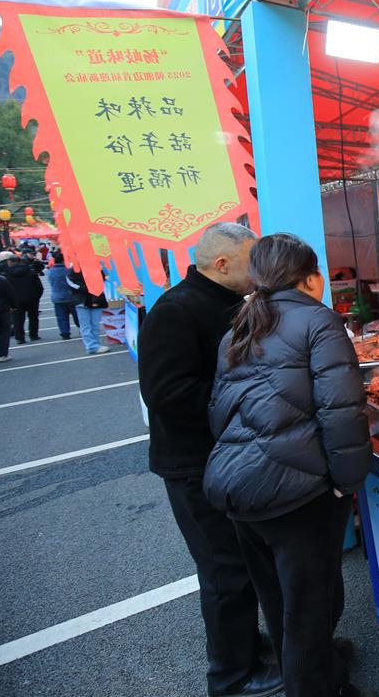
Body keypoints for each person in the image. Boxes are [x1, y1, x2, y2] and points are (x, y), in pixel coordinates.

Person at [205, 233, 371, 697]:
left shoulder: (240, 325)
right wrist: (346, 483)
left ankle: (322, 674)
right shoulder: (319, 320)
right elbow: (342, 411)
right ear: (312, 278)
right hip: (294, 493)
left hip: (237, 486)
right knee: (308, 614)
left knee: (279, 603)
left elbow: (219, 410)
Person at [138, 222, 281, 697]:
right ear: (221, 264)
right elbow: (166, 393)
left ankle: (249, 647)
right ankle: (231, 676)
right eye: (251, 262)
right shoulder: (175, 311)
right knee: (224, 571)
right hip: (193, 463)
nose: (258, 272)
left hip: (230, 456)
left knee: (244, 560)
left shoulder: (229, 302)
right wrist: (243, 400)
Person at [0, 249, 44, 343]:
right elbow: (39, 287)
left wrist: (8, 301)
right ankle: (34, 335)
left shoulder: (6, 275)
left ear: (9, 263)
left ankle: (20, 337)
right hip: (31, 298)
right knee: (33, 317)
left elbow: (4, 290)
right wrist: (36, 297)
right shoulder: (31, 272)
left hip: (15, 300)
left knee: (17, 319)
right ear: (20, 261)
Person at [66, 266, 110, 354]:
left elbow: (103, 279)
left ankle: (95, 345)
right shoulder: (73, 269)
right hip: (82, 300)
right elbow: (71, 283)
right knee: (86, 325)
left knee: (94, 324)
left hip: (95, 298)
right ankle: (91, 346)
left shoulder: (96, 267)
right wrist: (88, 288)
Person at [46, 251, 80, 340]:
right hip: (71, 296)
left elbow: (50, 282)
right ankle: (82, 328)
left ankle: (65, 333)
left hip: (57, 296)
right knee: (77, 315)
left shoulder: (50, 271)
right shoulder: (69, 270)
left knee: (61, 317)